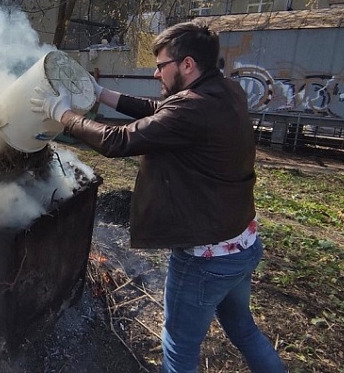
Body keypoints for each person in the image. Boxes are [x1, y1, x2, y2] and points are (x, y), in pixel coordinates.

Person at [30, 21, 285, 373]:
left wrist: (64, 116)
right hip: (240, 243)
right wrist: (104, 95)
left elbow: (117, 141)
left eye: (161, 64)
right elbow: (162, 112)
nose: (155, 72)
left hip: (205, 257)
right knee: (243, 328)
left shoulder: (192, 108)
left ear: (187, 65)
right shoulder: (225, 91)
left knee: (179, 346)